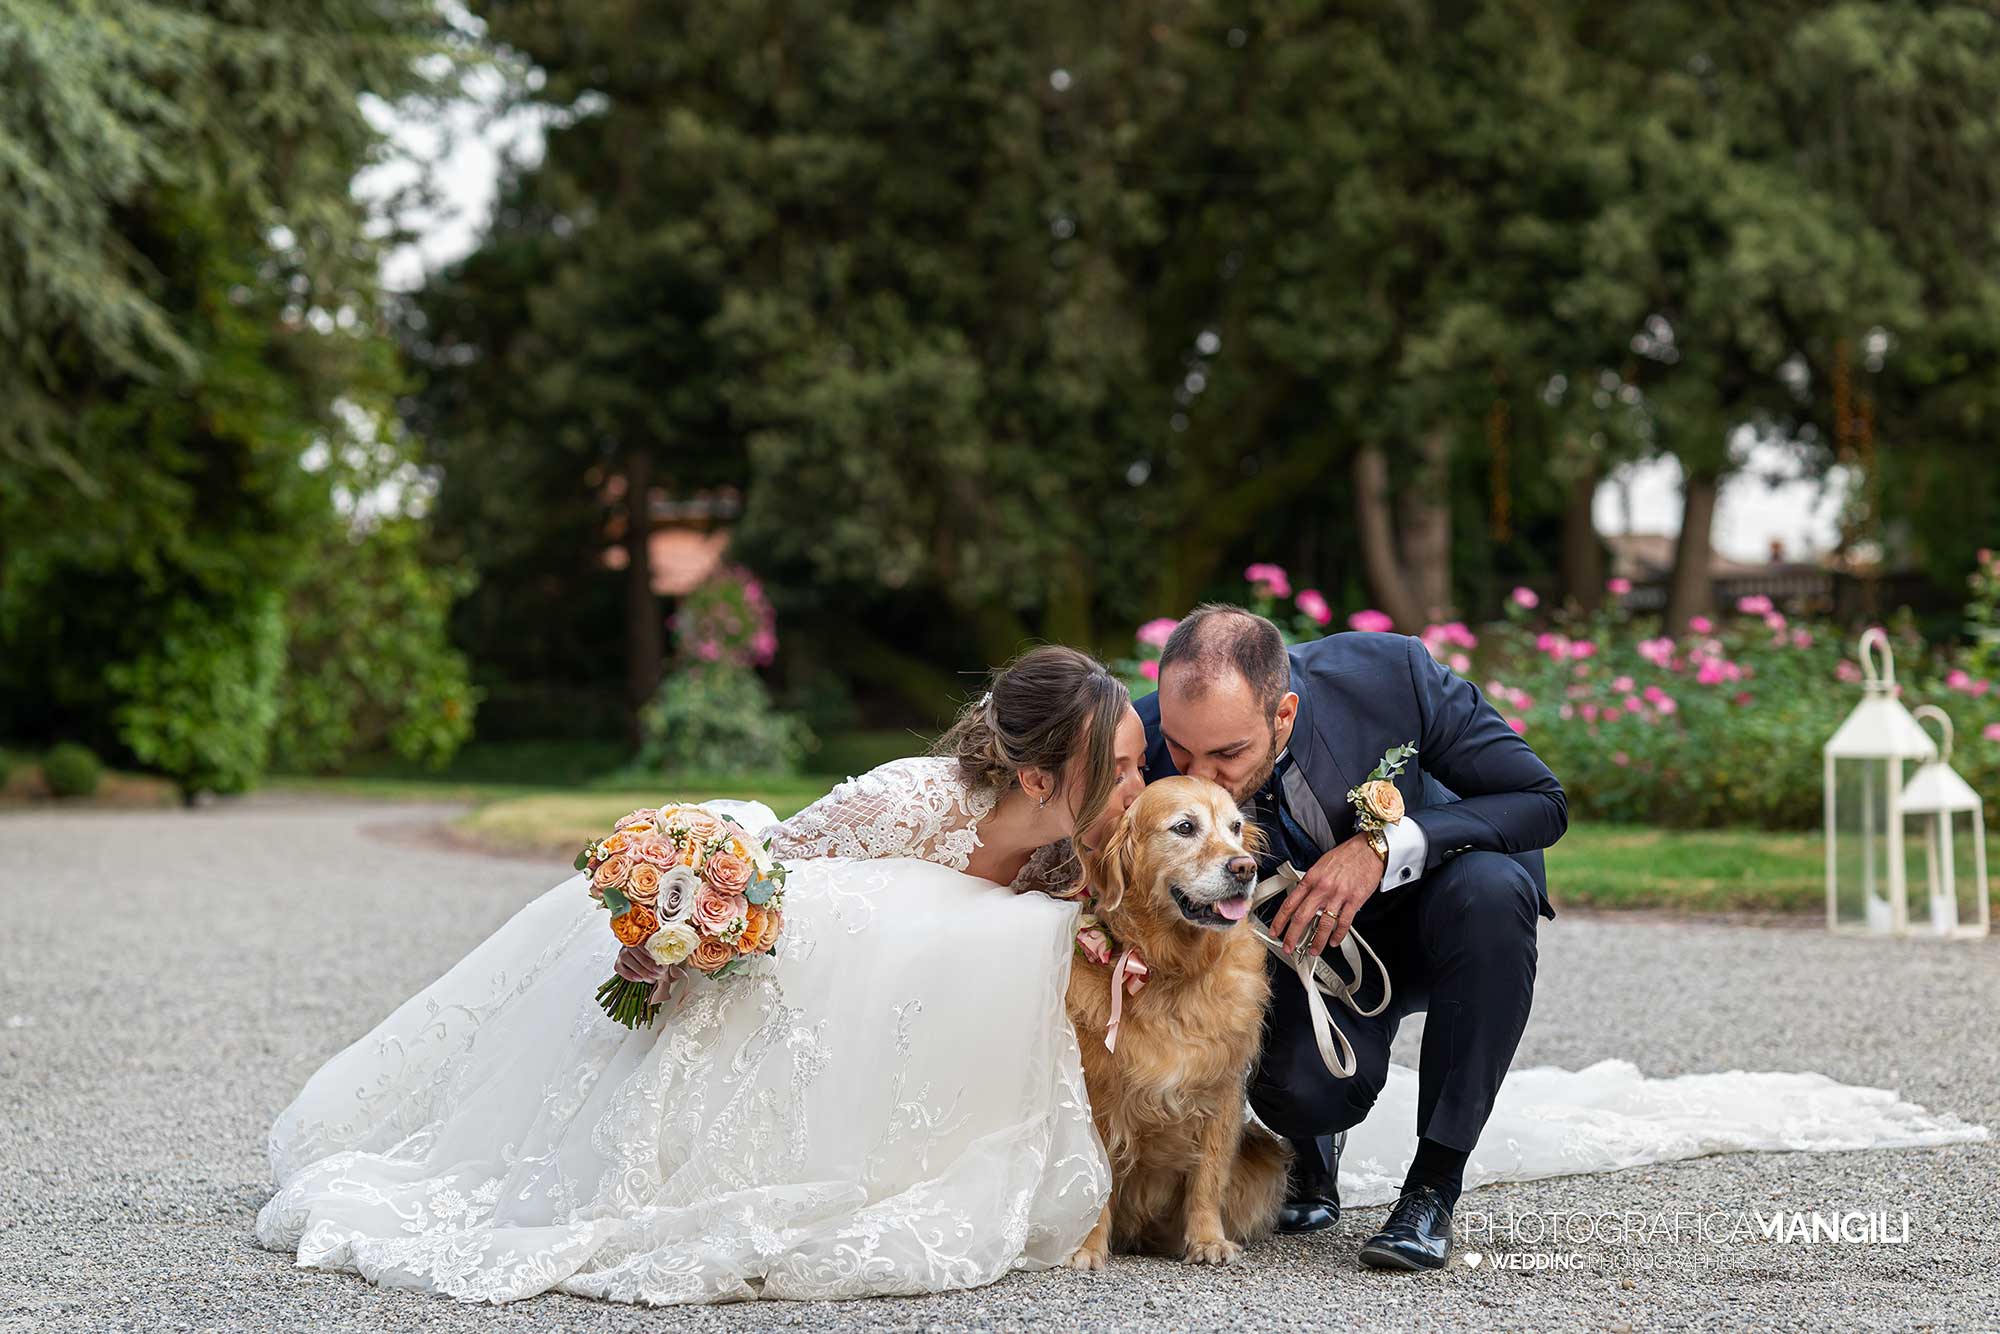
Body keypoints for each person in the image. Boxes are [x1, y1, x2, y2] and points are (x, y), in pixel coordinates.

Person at [256, 645, 1148, 1305]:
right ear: (1039, 778)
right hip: (766, 1005)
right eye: (1120, 771)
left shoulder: (1078, 854)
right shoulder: (911, 801)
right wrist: (680, 937)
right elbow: (767, 882)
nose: (1141, 787)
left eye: (1140, 765)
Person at [1134, 604, 1987, 1271]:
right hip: (1302, 963)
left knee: (1494, 887)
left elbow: (1541, 801)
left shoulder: (1392, 678)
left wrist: (1385, 846)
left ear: (1284, 713)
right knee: (1303, 1094)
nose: (1202, 778)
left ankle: (1431, 1189)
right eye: (1181, 750)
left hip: (1432, 920)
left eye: (1228, 755)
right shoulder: (1149, 735)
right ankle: (1312, 1149)